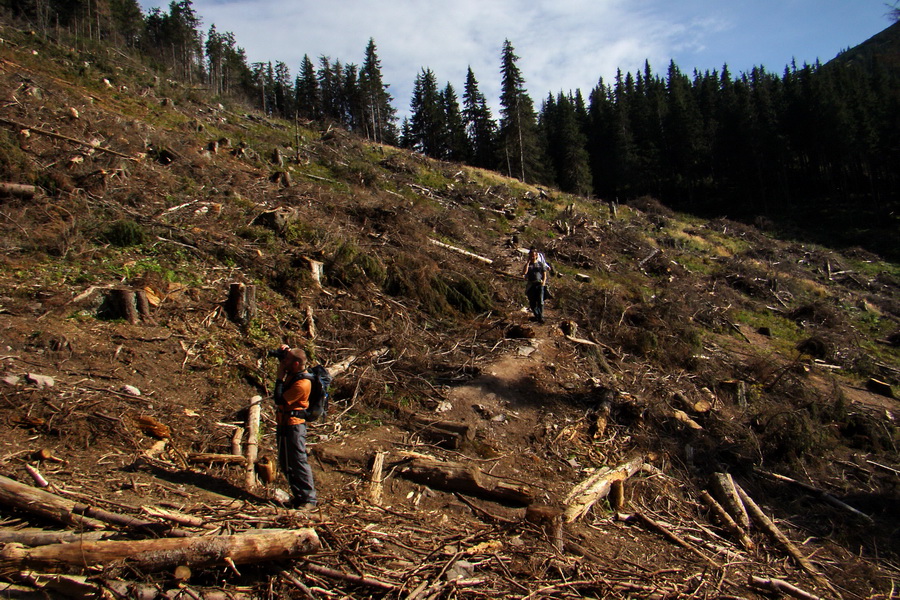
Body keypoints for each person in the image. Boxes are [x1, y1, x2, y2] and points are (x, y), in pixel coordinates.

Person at [273, 345, 317, 509]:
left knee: (298, 461)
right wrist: (285, 352)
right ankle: (298, 497)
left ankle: (309, 500)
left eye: (287, 360)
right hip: (284, 423)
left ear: (296, 364)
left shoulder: (303, 383)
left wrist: (279, 378)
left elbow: (279, 399)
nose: (284, 362)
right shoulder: (294, 373)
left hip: (295, 427)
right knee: (285, 462)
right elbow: (292, 359)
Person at [522, 247, 550, 323]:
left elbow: (544, 274)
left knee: (540, 301)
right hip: (531, 285)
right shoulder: (528, 265)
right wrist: (527, 263)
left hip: (539, 284)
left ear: (536, 256)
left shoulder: (541, 264)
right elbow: (524, 273)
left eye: (533, 255)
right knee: (532, 302)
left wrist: (543, 283)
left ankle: (541, 317)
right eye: (530, 256)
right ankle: (537, 316)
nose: (532, 257)